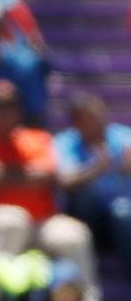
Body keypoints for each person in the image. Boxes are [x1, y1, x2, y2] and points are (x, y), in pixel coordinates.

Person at [0, 80, 100, 301]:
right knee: (11, 219)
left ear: (19, 111)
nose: (6, 113)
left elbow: (47, 174)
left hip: (42, 223)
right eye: (0, 107)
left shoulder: (38, 139)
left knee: (73, 234)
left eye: (11, 107)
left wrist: (0, 174)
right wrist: (22, 173)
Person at [55, 93, 131, 275]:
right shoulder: (64, 142)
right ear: (77, 123)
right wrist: (96, 169)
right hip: (85, 217)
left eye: (101, 115)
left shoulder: (122, 136)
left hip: (117, 216)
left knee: (124, 212)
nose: (100, 122)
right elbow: (64, 181)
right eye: (92, 118)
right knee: (84, 197)